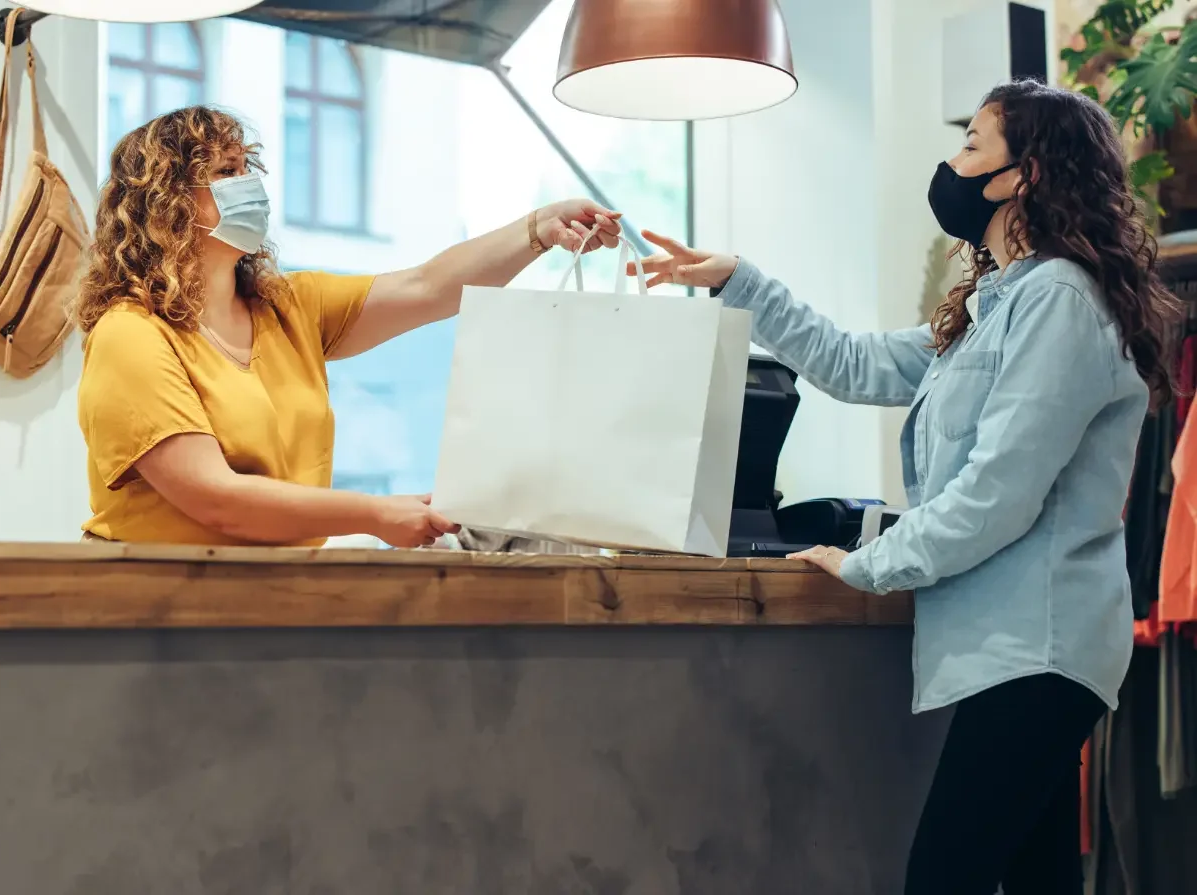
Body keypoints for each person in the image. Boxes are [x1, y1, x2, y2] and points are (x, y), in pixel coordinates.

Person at [634, 80, 1180, 894]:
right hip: (1015, 645)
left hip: (1042, 643)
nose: (949, 163)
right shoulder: (999, 304)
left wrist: (869, 562)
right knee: (1037, 879)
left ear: (1021, 176)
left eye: (971, 146)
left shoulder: (1060, 301)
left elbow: (999, 490)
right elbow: (855, 361)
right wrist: (740, 280)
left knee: (943, 875)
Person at [75, 105, 619, 549]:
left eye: (247, 167)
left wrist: (539, 230)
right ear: (167, 203)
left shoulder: (287, 306)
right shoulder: (131, 334)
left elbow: (427, 287)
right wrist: (374, 514)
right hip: (154, 607)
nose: (249, 186)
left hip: (270, 601)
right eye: (224, 172)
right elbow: (217, 498)